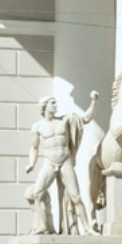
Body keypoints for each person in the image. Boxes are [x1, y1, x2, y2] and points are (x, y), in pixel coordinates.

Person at [24, 92, 97, 235]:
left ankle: (87, 228)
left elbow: (86, 118)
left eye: (56, 103)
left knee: (76, 196)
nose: (56, 105)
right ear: (44, 107)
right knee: (37, 194)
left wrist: (94, 102)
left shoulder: (65, 120)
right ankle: (43, 225)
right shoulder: (37, 127)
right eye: (53, 103)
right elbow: (34, 147)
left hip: (65, 161)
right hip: (49, 162)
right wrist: (31, 163)